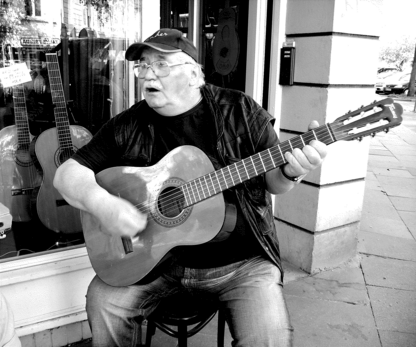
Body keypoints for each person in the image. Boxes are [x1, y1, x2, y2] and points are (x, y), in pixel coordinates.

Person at [53, 28, 327, 347]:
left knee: (269, 337)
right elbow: (67, 174)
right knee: (102, 299)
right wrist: (102, 204)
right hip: (153, 264)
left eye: (161, 65)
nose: (147, 74)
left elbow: (273, 183)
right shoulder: (127, 125)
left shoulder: (241, 111)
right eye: (143, 65)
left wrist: (292, 173)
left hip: (240, 262)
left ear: (194, 75)